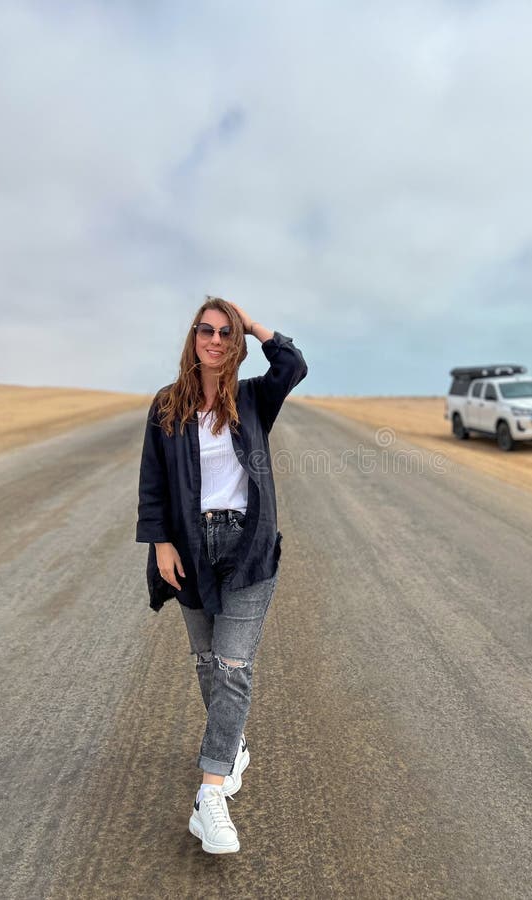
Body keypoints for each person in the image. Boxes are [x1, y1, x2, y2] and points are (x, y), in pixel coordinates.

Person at [135, 296, 308, 854]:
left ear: (236, 344)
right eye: (206, 331)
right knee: (209, 663)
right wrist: (161, 543)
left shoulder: (256, 398)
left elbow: (292, 365)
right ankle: (232, 747)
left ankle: (210, 796)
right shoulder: (167, 406)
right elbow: (153, 483)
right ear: (192, 338)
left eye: (226, 333)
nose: (215, 340)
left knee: (233, 666)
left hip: (248, 544)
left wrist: (255, 324)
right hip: (188, 548)